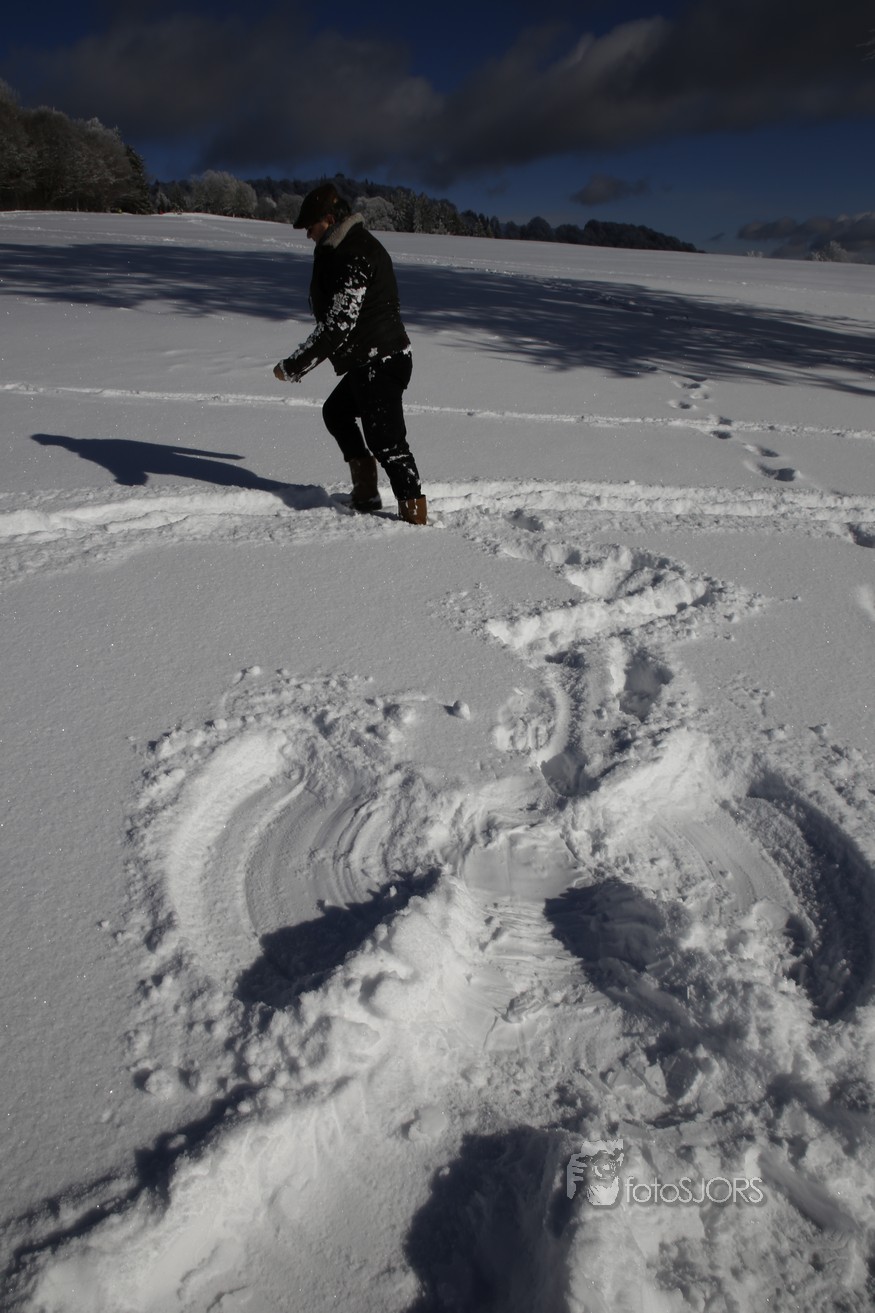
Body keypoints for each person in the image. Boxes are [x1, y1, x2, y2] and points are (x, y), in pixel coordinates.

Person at [273, 183, 427, 525]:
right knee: (337, 412)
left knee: (387, 442)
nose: (307, 234)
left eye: (310, 227)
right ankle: (366, 493)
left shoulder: (356, 252)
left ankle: (415, 517)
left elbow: (339, 323)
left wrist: (295, 366)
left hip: (382, 359)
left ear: (329, 219)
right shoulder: (340, 248)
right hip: (367, 359)